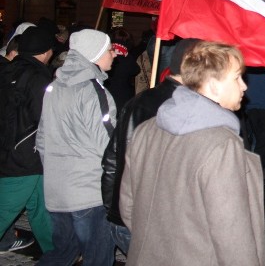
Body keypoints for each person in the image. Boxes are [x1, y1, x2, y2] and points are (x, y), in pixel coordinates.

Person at [120, 41, 265, 265]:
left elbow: (128, 206)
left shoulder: (146, 130)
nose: (244, 86)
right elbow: (232, 233)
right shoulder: (222, 145)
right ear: (213, 85)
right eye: (237, 77)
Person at [101, 37, 198, 255]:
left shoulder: (138, 101)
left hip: (125, 215)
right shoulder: (185, 109)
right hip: (149, 221)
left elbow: (111, 160)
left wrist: (113, 208)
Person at [37, 28, 117, 266]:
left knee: (63, 254)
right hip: (89, 194)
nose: (114, 54)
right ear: (95, 54)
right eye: (109, 49)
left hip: (56, 192)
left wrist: (55, 171)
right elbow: (107, 143)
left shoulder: (54, 87)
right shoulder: (93, 90)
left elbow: (41, 139)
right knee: (97, 258)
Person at [0, 27, 57, 256]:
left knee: (40, 207)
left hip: (12, 151)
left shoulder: (7, 69)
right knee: (5, 210)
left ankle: (57, 252)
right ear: (45, 51)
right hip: (24, 156)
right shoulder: (39, 77)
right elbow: (43, 117)